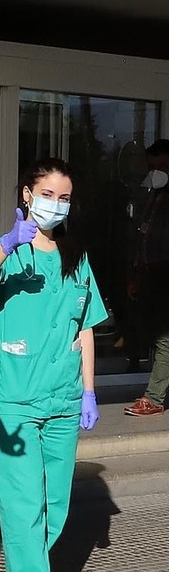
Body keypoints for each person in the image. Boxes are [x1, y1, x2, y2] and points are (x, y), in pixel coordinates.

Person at [0, 159, 107, 572]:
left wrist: (89, 390)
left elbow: (84, 327)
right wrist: (5, 245)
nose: (55, 204)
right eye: (47, 194)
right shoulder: (8, 252)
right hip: (14, 401)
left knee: (56, 506)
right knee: (24, 505)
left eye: (64, 197)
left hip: (64, 397)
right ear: (27, 194)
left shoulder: (77, 257)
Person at [126, 139, 169, 417]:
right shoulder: (154, 195)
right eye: (152, 166)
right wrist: (138, 272)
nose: (157, 172)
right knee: (157, 334)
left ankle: (153, 397)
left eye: (163, 166)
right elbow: (145, 237)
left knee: (165, 337)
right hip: (153, 272)